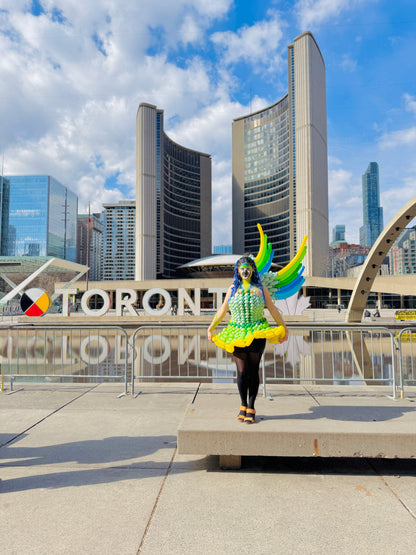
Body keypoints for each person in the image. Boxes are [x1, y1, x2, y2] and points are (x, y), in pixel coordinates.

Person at [207, 256, 288, 424]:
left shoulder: (260, 287)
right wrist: (211, 327)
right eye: (241, 268)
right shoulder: (232, 289)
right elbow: (223, 309)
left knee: (253, 371)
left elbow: (272, 309)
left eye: (248, 267)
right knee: (242, 372)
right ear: (237, 270)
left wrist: (284, 328)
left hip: (257, 332)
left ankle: (251, 406)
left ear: (252, 270)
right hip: (236, 333)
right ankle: (243, 405)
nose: (245, 271)